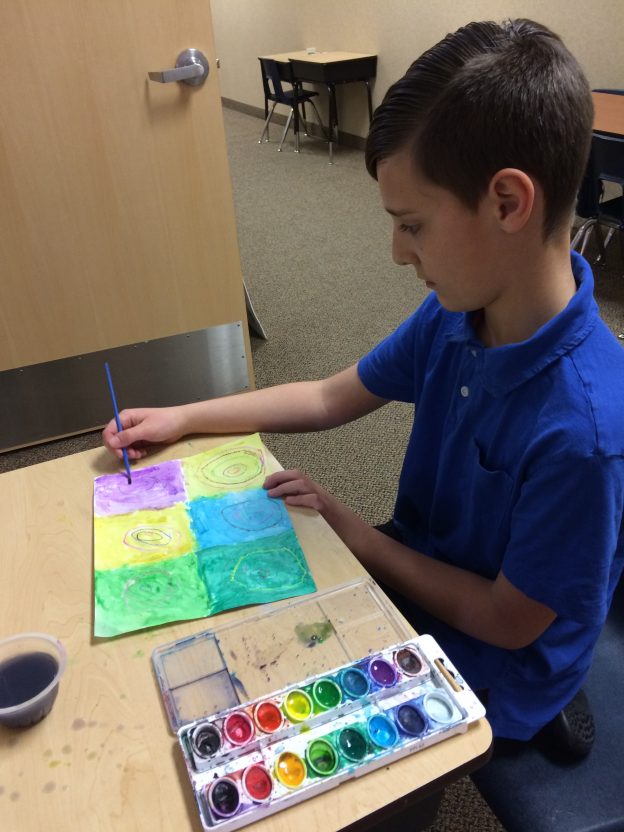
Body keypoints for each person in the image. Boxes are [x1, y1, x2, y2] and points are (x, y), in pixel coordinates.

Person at [103, 19, 624, 749]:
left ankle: (539, 710)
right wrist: (185, 416)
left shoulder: (586, 432)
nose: (395, 252)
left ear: (508, 203)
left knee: (310, 740)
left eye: (412, 225)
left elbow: (507, 620)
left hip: (498, 658)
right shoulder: (457, 315)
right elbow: (327, 397)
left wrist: (352, 531)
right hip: (417, 566)